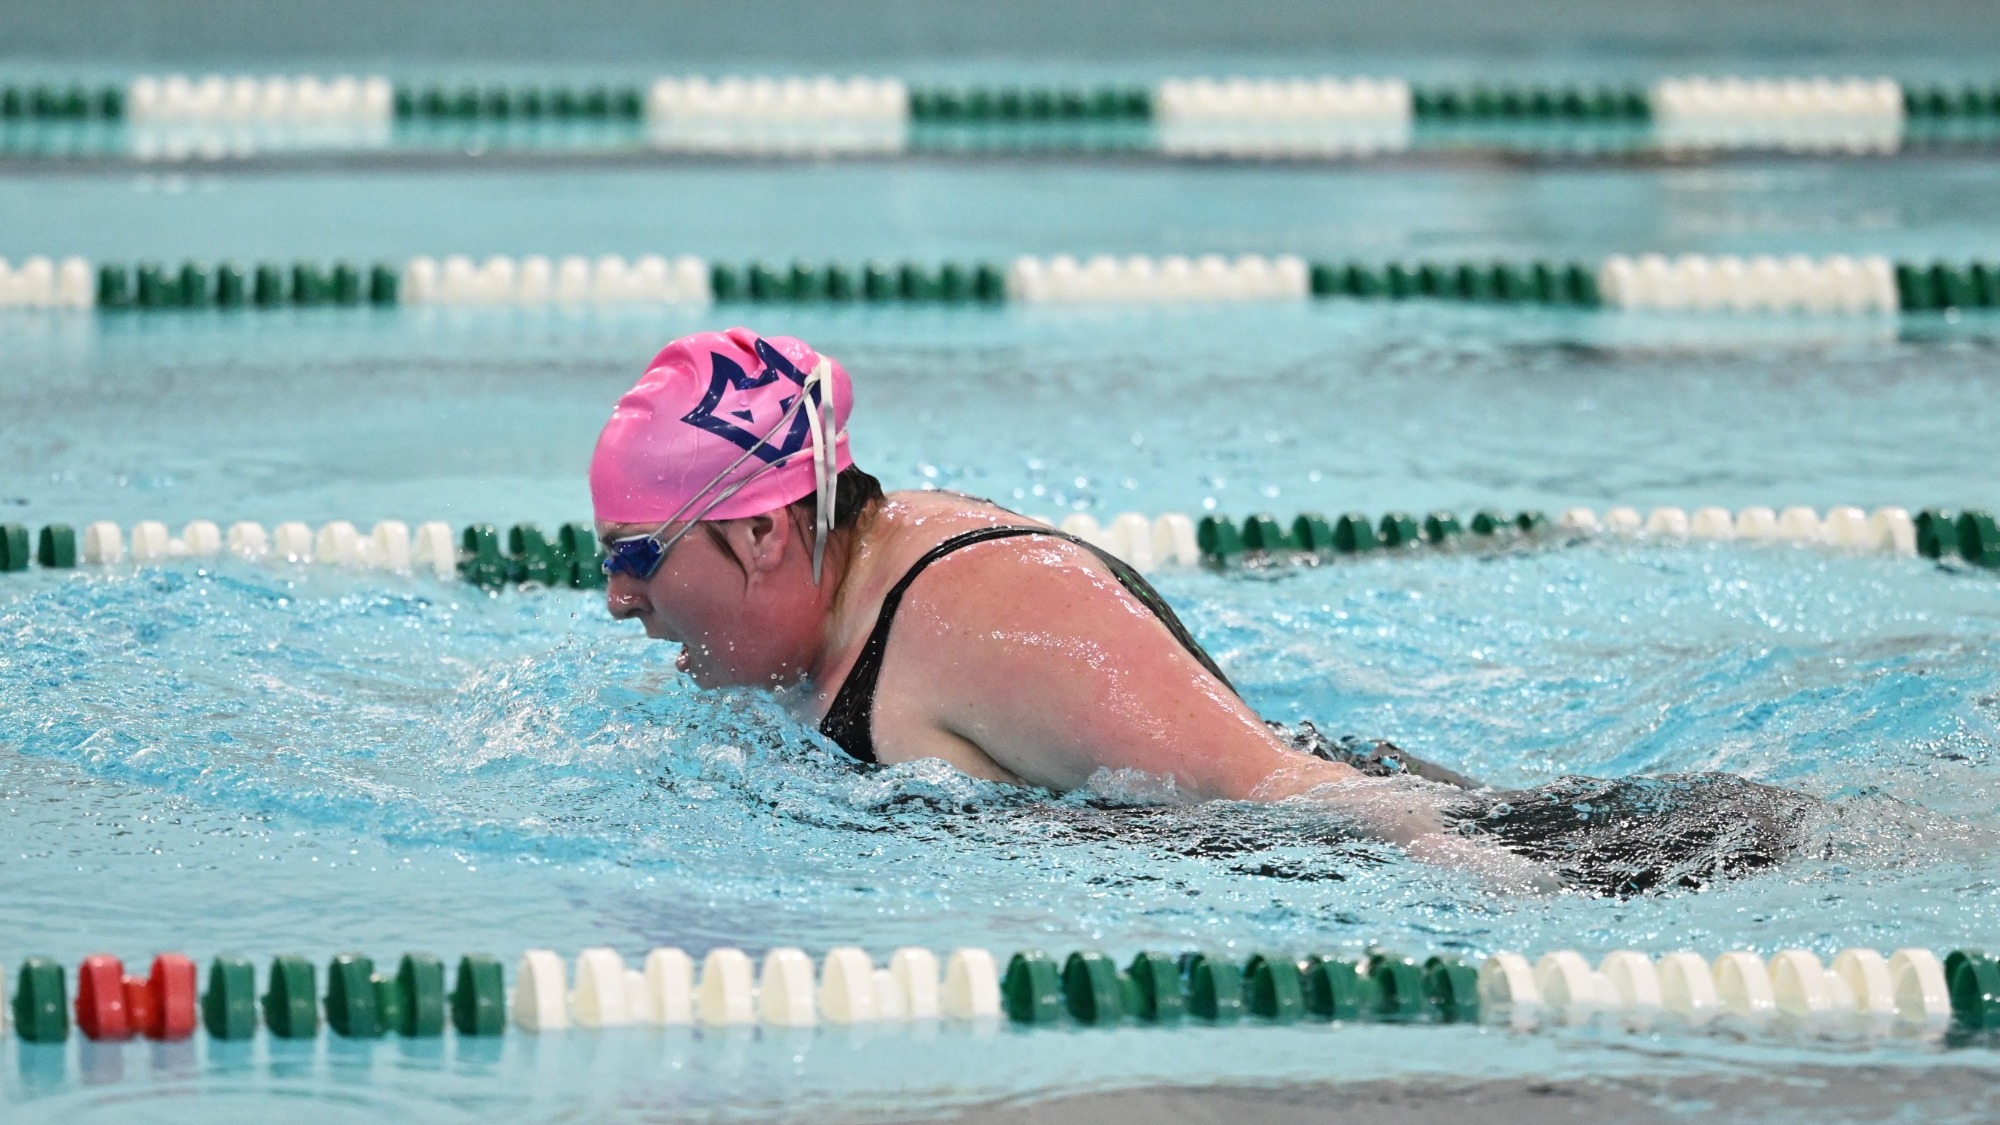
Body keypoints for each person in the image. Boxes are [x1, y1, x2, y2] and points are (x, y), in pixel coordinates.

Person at [591, 329, 1814, 893]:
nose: (618, 599)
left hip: (1532, 856)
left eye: (639, 553)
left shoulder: (982, 610)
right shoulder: (834, 608)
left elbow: (1285, 793)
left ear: (759, 532)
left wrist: (1506, 904)